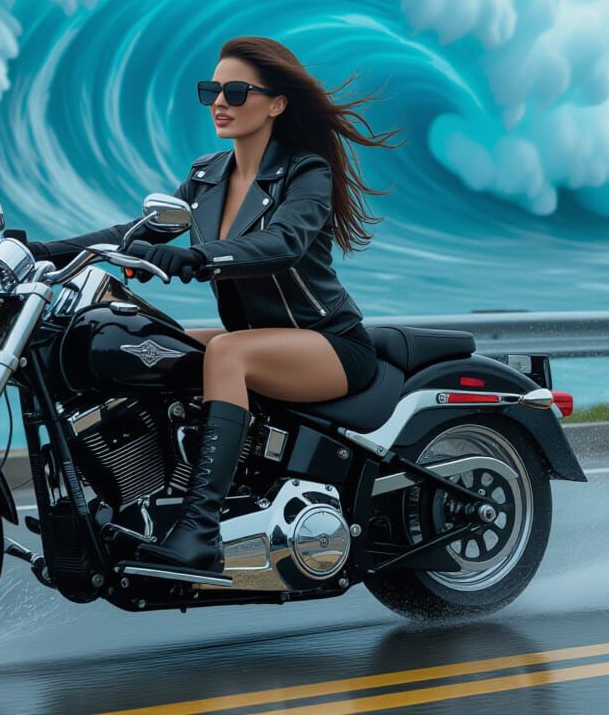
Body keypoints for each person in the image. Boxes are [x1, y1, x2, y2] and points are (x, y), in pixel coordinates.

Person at [26, 36, 401, 573]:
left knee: (225, 354)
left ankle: (199, 532)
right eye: (211, 90)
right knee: (151, 345)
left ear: (276, 103)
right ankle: (129, 504)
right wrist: (42, 251)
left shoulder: (306, 172)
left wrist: (199, 258)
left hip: (331, 345)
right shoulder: (207, 177)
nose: (219, 101)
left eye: (235, 90)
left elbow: (284, 243)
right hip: (257, 341)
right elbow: (131, 232)